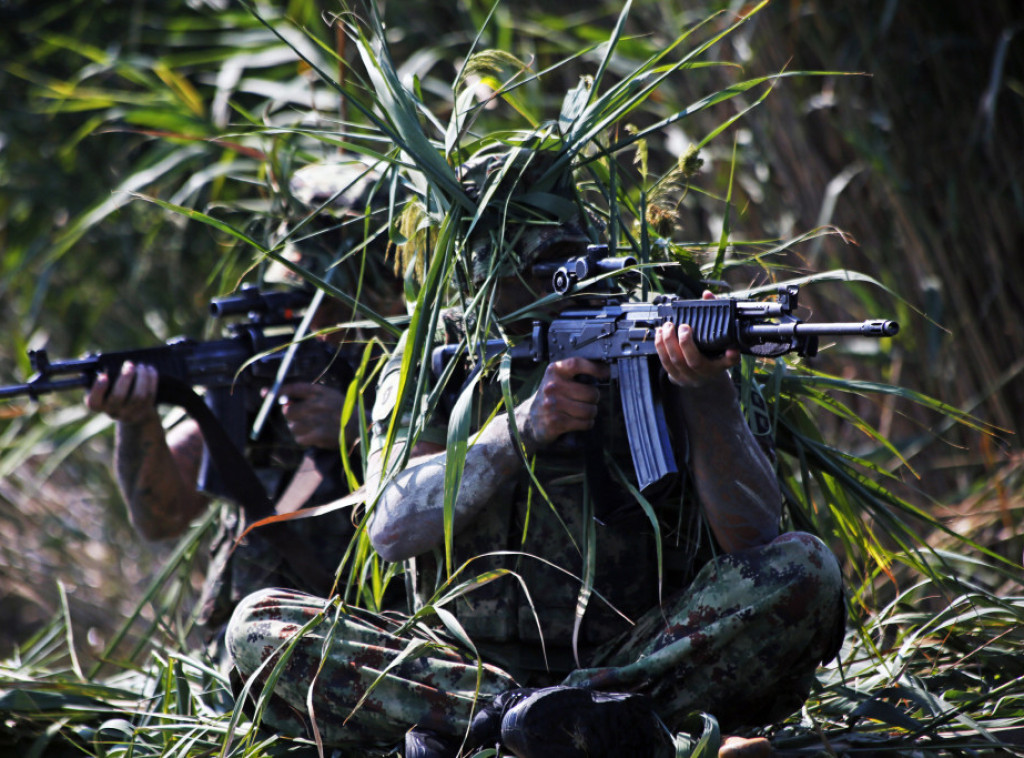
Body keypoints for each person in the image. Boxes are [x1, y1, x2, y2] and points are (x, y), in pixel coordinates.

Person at [224, 150, 845, 758]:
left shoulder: (665, 336)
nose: (535, 286)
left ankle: (565, 719)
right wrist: (520, 429)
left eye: (552, 262)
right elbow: (391, 526)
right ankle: (536, 721)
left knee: (805, 572)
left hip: (632, 658)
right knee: (257, 628)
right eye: (518, 266)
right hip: (458, 667)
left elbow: (754, 538)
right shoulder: (437, 359)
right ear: (474, 265)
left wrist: (705, 394)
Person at [86, 159, 406, 650]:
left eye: (336, 298)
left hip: (365, 659)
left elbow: (450, 511)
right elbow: (162, 517)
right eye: (303, 295)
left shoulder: (428, 377)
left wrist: (363, 435)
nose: (315, 314)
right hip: (241, 673)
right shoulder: (265, 374)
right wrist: (137, 421)